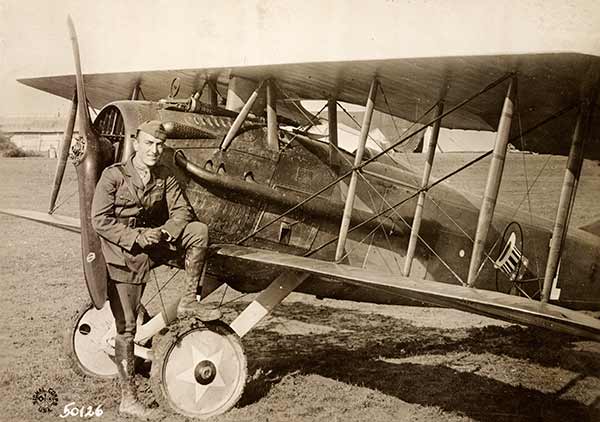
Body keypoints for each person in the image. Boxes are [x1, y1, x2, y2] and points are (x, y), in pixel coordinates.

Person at [91, 120, 221, 419]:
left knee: (198, 231)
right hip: (123, 253)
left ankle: (189, 301)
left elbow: (182, 213)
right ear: (136, 143)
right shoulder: (113, 176)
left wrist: (163, 233)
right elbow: (100, 221)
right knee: (126, 327)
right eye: (149, 143)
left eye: (160, 145)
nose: (154, 150)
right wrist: (136, 237)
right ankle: (128, 399)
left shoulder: (165, 176)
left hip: (155, 242)